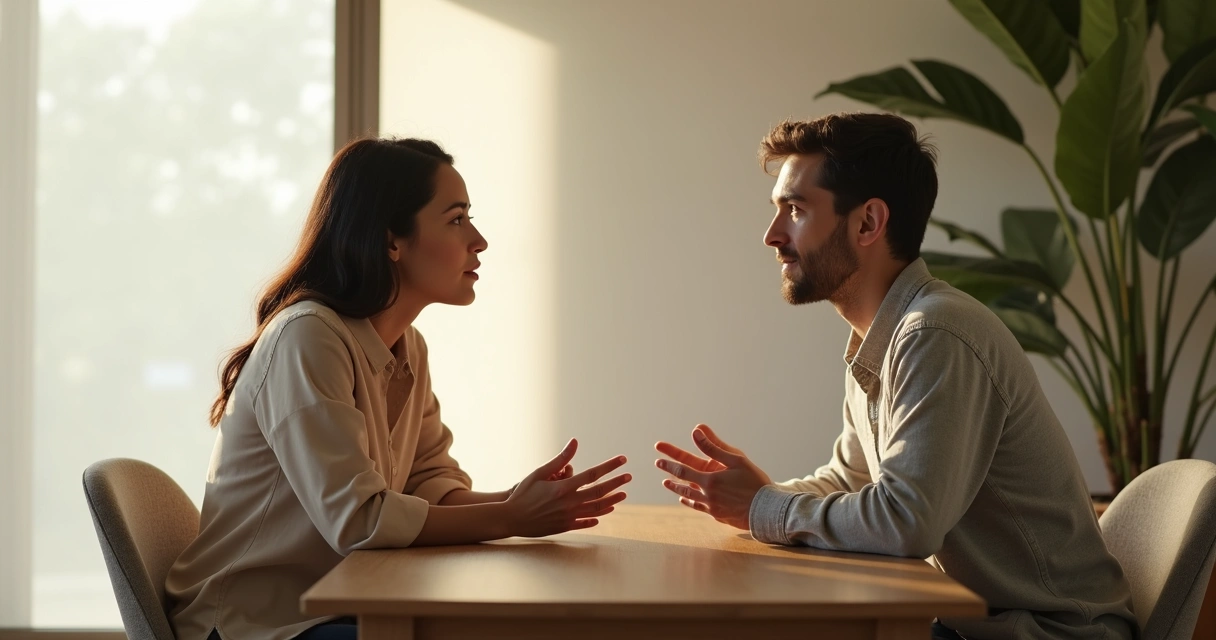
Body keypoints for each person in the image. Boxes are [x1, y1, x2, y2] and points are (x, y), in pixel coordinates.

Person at [654, 113, 1137, 639]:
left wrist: (765, 507)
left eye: (795, 210)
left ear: (867, 223)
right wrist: (752, 499)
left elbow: (906, 523)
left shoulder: (935, 333)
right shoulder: (882, 336)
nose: (772, 235)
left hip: (1050, 634)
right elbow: (852, 480)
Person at [167, 138, 631, 640]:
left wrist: (519, 501)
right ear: (392, 241)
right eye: (456, 219)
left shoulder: (408, 345)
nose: (479, 240)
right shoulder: (307, 336)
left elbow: (428, 483)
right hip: (253, 626)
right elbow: (358, 520)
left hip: (336, 609)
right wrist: (511, 517)